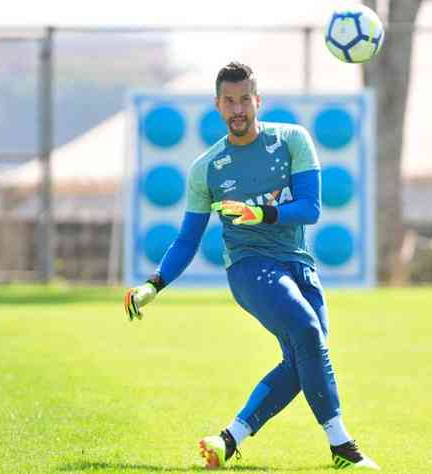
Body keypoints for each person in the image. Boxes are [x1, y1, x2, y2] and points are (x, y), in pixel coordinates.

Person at [124, 61, 379, 470]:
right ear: (218, 106)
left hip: (299, 266)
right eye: (229, 101)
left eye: (245, 99)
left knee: (304, 358)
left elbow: (310, 209)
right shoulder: (206, 168)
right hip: (249, 269)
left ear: (258, 101)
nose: (238, 109)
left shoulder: (293, 140)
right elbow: (187, 239)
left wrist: (260, 213)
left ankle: (228, 439)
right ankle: (342, 447)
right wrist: (154, 284)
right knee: (308, 332)